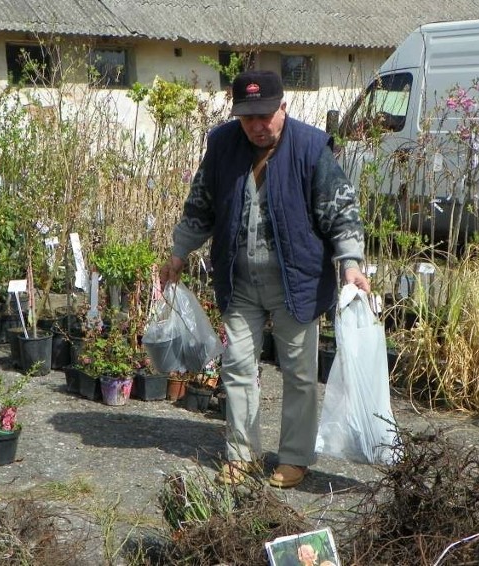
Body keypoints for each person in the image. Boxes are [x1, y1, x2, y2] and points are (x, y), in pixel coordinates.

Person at [159, 70, 370, 489]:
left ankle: (294, 457)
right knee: (237, 367)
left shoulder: (311, 149)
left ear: (283, 109)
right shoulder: (222, 145)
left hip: (299, 282)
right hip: (239, 281)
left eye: (265, 116)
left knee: (299, 375)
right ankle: (241, 454)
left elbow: (341, 214)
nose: (257, 126)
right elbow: (200, 205)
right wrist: (179, 251)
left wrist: (351, 263)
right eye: (247, 118)